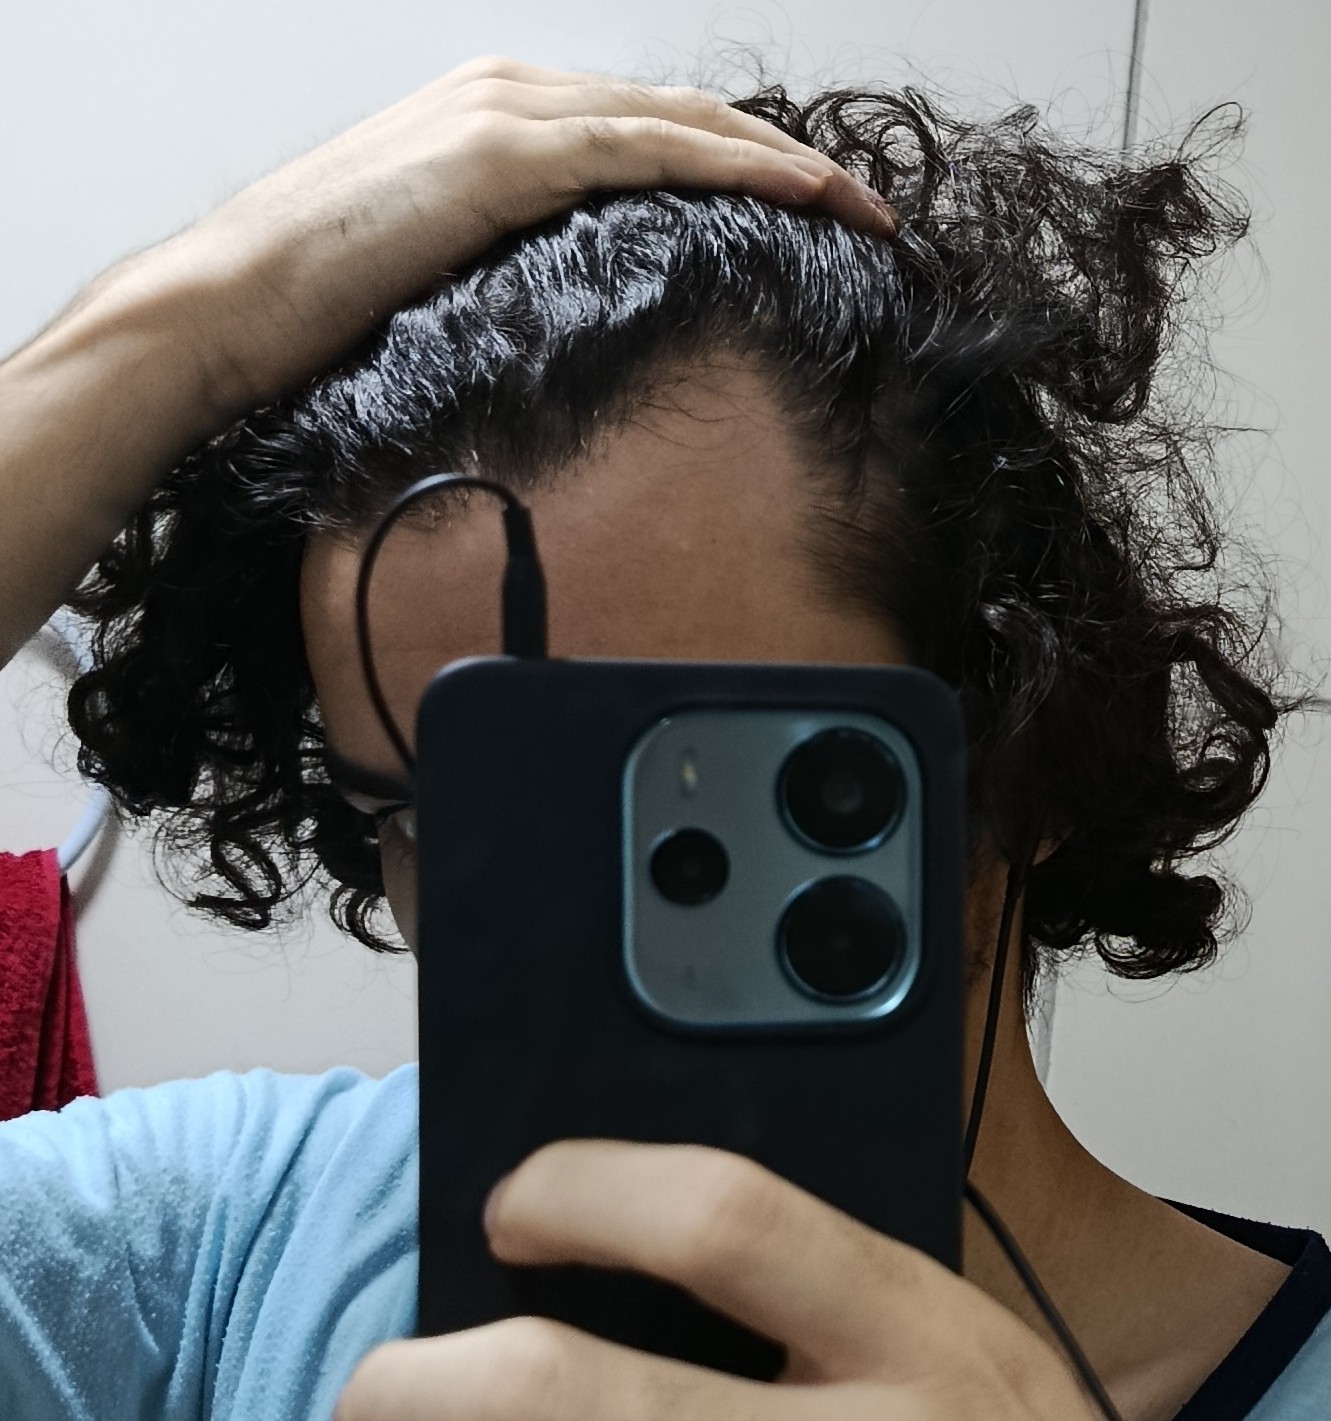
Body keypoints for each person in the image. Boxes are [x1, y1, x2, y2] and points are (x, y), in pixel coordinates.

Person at [0, 56, 1326, 1421]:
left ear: (1019, 751)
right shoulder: (237, 1237)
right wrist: (194, 321)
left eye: (701, 783)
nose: (555, 923)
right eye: (443, 819)